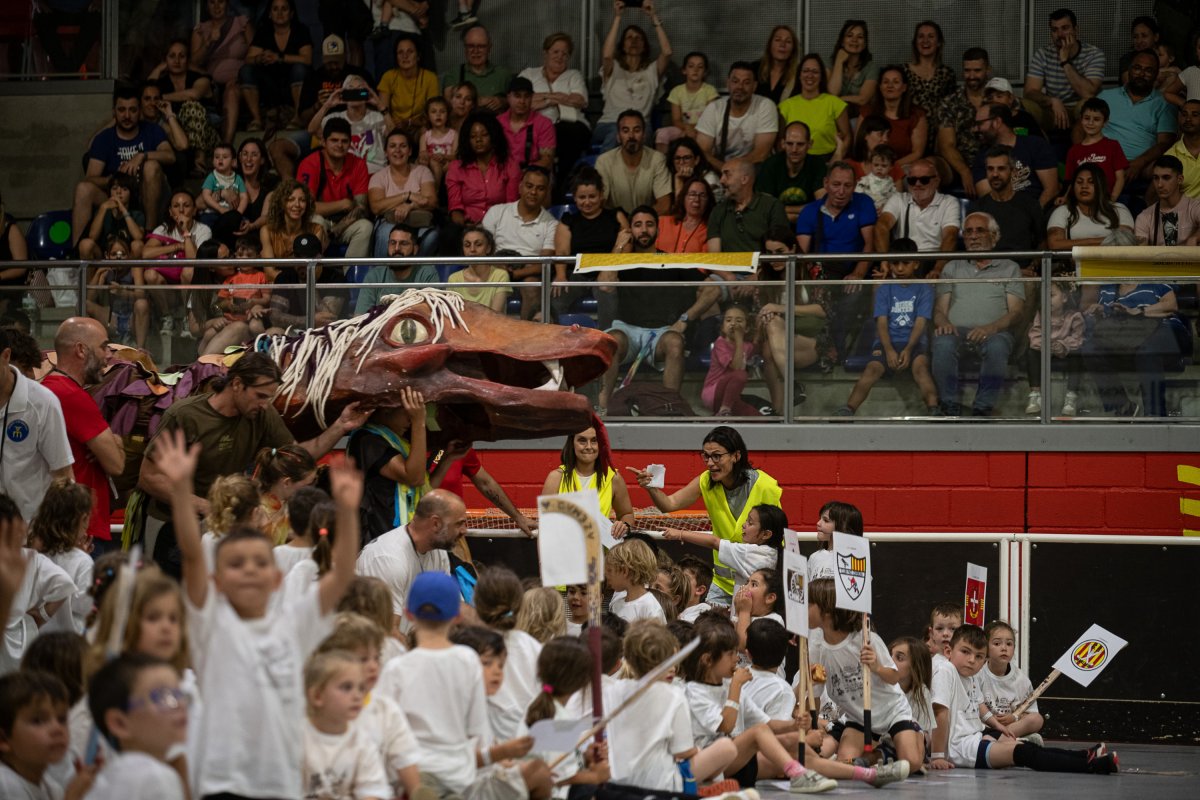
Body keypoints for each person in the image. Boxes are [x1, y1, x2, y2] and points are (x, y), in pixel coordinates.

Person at [153, 426, 361, 799]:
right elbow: (190, 554)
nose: (249, 569)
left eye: (258, 563)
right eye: (236, 564)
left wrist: (346, 513)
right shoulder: (211, 624)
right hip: (221, 782)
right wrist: (182, 489)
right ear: (217, 580)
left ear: (277, 577)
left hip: (281, 781)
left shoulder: (293, 624)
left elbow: (342, 572)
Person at [137, 354, 366, 574]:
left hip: (225, 527)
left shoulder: (261, 415)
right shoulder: (185, 416)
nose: (266, 404)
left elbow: (297, 457)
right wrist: (207, 507)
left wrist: (340, 427)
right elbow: (149, 478)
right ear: (237, 384)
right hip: (172, 525)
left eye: (269, 397)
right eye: (261, 395)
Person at [933, 625, 1118, 774]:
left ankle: (1084, 755)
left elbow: (979, 704)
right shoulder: (946, 671)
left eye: (979, 656)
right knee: (1022, 752)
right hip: (960, 750)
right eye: (965, 652)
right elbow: (940, 713)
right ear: (949, 651)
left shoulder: (971, 675)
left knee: (1026, 745)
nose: (972, 660)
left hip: (975, 736)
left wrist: (997, 726)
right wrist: (938, 756)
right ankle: (1092, 766)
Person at [630, 426, 780, 603]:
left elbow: (776, 539)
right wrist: (650, 487)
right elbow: (669, 504)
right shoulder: (706, 480)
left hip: (756, 587)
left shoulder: (766, 486)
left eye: (717, 456)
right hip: (722, 584)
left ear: (736, 456)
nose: (710, 463)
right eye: (706, 456)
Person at [596, 207, 718, 414]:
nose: (644, 230)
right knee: (611, 341)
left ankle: (668, 407)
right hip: (627, 330)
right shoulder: (623, 262)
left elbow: (713, 289)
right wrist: (618, 246)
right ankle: (604, 408)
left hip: (663, 332)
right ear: (630, 231)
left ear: (658, 230)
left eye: (649, 224)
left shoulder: (673, 260)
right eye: (638, 225)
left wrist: (684, 320)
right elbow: (605, 285)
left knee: (675, 342)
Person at [807, 578, 923, 768]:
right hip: (859, 717)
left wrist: (876, 667)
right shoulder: (817, 645)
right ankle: (879, 754)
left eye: (808, 603)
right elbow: (815, 693)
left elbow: (894, 677)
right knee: (847, 762)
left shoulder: (865, 639)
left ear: (827, 611)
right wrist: (811, 725)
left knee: (912, 764)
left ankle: (897, 743)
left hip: (891, 711)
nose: (802, 608)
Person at [40, 317, 124, 552]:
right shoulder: (71, 396)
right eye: (103, 346)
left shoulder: (48, 388)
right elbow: (116, 464)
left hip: (66, 526)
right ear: (81, 350)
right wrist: (116, 441)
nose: (109, 354)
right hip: (83, 532)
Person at [931, 212, 1025, 417]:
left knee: (998, 345)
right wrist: (944, 323)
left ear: (994, 235)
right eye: (968, 232)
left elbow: (1016, 312)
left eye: (979, 230)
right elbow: (939, 311)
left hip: (994, 332)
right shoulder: (952, 266)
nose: (973, 236)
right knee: (942, 341)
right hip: (957, 330)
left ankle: (983, 407)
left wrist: (992, 328)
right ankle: (949, 406)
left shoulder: (1009, 267)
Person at [835, 239, 939, 417]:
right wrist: (889, 349)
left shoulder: (925, 289)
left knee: (921, 368)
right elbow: (881, 323)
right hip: (886, 343)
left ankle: (934, 409)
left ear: (916, 264)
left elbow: (921, 323)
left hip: (914, 344)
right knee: (871, 369)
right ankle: (848, 409)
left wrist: (908, 348)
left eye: (905, 263)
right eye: (894, 263)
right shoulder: (885, 289)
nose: (899, 268)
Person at [795, 161, 879, 359]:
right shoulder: (810, 211)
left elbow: (869, 244)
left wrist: (858, 274)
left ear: (854, 185)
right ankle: (821, 351)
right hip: (821, 273)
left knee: (854, 295)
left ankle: (837, 352)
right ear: (826, 183)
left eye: (847, 186)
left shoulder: (864, 203)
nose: (841, 191)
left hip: (853, 271)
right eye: (836, 184)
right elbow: (801, 254)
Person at [72, 84, 174, 246]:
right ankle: (78, 252)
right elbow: (90, 178)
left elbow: (170, 156)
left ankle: (149, 236)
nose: (127, 116)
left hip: (148, 195)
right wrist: (111, 180)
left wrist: (142, 156)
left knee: (151, 166)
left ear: (140, 111)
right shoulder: (104, 138)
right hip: (116, 197)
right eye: (122, 110)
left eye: (133, 110)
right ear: (114, 112)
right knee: (83, 189)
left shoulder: (152, 130)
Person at [355, 489, 468, 630]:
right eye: (459, 524)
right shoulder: (389, 559)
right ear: (436, 524)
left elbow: (455, 607)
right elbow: (388, 634)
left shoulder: (438, 550)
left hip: (412, 644)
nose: (464, 531)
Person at [1081, 268, 1185, 418]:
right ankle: (1122, 405)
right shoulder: (1109, 288)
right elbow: (1108, 316)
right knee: (1090, 349)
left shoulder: (1153, 280)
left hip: (1159, 327)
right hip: (1127, 334)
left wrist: (1139, 310)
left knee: (1148, 351)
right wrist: (1100, 310)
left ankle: (1154, 414)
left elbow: (1171, 305)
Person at [85, 654, 189, 800]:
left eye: (180, 694)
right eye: (162, 697)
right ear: (119, 723)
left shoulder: (115, 776)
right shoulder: (156, 778)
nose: (180, 705)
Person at [0, 328, 73, 523]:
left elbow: (63, 475)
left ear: (6, 356)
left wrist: (60, 534)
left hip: (32, 535)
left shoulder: (42, 402)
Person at [301, 649, 390, 800]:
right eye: (346, 687)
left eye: (361, 688)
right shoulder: (296, 738)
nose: (357, 696)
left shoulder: (362, 741)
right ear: (317, 696)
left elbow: (374, 790)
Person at [552, 169, 626, 327]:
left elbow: (626, 245)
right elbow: (562, 252)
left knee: (608, 293)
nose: (587, 202)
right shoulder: (568, 221)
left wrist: (611, 270)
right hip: (577, 274)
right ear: (575, 198)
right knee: (555, 299)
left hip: (606, 272)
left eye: (592, 196)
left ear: (601, 195)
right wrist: (560, 275)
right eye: (582, 197)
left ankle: (607, 340)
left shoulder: (616, 216)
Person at [595, 1, 672, 151]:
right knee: (616, 134)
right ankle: (605, 173)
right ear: (622, 44)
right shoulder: (613, 68)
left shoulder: (651, 71)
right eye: (629, 38)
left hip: (640, 124)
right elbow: (607, 54)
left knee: (638, 134)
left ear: (644, 45)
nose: (634, 41)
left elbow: (667, 52)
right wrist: (618, 17)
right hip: (610, 123)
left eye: (638, 38)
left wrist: (653, 16)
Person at [519, 32, 590, 193]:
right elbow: (523, 101)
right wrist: (555, 98)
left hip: (571, 125)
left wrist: (542, 99)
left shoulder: (574, 75)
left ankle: (559, 186)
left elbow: (580, 100)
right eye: (556, 52)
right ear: (546, 53)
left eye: (565, 53)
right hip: (537, 126)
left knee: (568, 133)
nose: (560, 57)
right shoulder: (530, 74)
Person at [482, 165, 557, 317]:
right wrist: (500, 269)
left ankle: (526, 337)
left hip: (527, 273)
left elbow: (545, 263)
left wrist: (515, 274)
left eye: (540, 188)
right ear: (520, 186)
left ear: (546, 192)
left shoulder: (551, 224)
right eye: (529, 186)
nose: (533, 192)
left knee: (532, 284)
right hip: (495, 268)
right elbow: (483, 250)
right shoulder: (497, 212)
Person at [1095, 50, 1177, 188]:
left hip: (1141, 165)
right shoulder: (1105, 96)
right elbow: (1080, 128)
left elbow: (1165, 143)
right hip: (1102, 160)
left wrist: (1140, 162)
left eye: (1148, 70)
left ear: (1156, 75)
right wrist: (1086, 153)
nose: (1141, 74)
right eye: (1137, 68)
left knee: (1166, 172)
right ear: (1129, 70)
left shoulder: (1164, 103)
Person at [297, 117, 373, 260]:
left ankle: (351, 278)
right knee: (316, 221)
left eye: (344, 141)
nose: (340, 145)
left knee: (366, 227)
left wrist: (333, 233)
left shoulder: (358, 164)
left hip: (344, 223)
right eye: (334, 140)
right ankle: (315, 275)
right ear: (323, 142)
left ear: (350, 143)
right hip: (320, 219)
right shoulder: (310, 163)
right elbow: (306, 207)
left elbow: (361, 208)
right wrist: (343, 204)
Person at [542, 424, 636, 538]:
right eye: (582, 440)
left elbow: (627, 514)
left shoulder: (613, 478)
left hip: (601, 554)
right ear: (572, 443)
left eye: (594, 441)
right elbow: (546, 523)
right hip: (565, 552)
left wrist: (624, 525)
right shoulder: (555, 478)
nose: (589, 446)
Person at [1022, 7, 1105, 132]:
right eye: (1055, 30)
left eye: (1065, 28)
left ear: (1075, 30)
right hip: (1054, 109)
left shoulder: (1093, 54)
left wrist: (1065, 61)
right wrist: (1052, 101)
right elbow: (1029, 92)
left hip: (1080, 111)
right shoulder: (1043, 53)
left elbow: (1088, 93)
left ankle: (1082, 150)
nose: (1060, 35)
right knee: (1026, 106)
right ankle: (1038, 147)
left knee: (1086, 104)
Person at [875, 159, 961, 278]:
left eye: (924, 180)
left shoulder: (949, 202)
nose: (917, 184)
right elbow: (881, 226)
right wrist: (884, 261)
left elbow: (950, 236)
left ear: (936, 181)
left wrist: (938, 269)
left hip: (933, 260)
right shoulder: (898, 199)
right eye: (912, 180)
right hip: (903, 261)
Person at [238, 0, 313, 132]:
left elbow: (307, 59)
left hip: (294, 86)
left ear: (291, 13)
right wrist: (259, 58)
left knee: (299, 69)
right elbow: (249, 59)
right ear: (269, 13)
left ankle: (297, 117)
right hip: (270, 87)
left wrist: (279, 58)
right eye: (275, 9)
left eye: (284, 9)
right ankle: (256, 119)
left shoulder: (300, 30)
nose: (279, 13)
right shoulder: (264, 32)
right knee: (246, 71)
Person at [148, 38, 219, 172]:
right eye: (172, 56)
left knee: (192, 107)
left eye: (182, 56)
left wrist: (161, 97)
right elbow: (146, 92)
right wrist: (159, 68)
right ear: (165, 60)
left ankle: (199, 159)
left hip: (207, 136)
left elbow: (194, 95)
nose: (177, 61)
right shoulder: (162, 82)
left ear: (188, 60)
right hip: (178, 136)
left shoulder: (200, 78)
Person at [694, 62, 778, 172]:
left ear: (754, 86)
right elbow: (702, 151)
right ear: (728, 83)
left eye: (746, 83)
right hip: (719, 168)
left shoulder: (765, 106)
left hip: (753, 169)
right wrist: (725, 170)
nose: (740, 87)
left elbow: (760, 154)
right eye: (735, 81)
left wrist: (733, 171)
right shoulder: (714, 108)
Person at [971, 104, 1059, 208]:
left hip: (1039, 212)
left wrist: (1035, 216)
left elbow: (1051, 189)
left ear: (997, 122)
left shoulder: (1035, 145)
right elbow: (989, 199)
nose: (975, 129)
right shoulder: (982, 157)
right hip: (1003, 216)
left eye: (980, 123)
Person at [369, 126, 438, 256]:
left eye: (403, 146)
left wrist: (409, 206)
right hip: (389, 222)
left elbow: (431, 201)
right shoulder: (378, 176)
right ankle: (381, 272)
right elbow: (376, 207)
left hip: (419, 221)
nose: (398, 151)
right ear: (386, 152)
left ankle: (414, 274)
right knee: (387, 235)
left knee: (431, 236)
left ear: (410, 151)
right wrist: (407, 195)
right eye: (393, 146)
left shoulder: (422, 171)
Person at [446, 110, 521, 226]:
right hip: (467, 227)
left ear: (494, 136)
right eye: (473, 136)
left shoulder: (510, 166)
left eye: (484, 135)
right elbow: (455, 210)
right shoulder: (456, 168)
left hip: (501, 226)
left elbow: (511, 207)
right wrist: (466, 227)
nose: (478, 140)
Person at [191, 0, 252, 144]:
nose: (217, 6)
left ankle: (226, 144)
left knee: (231, 90)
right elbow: (193, 63)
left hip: (240, 84)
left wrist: (241, 75)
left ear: (227, 4)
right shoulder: (200, 30)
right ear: (207, 6)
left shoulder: (242, 23)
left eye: (221, 2)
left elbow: (255, 53)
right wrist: (208, 43)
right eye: (212, 2)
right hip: (213, 87)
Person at [970, 146, 1049, 257]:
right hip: (989, 271)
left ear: (1013, 172)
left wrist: (1033, 266)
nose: (995, 174)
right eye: (990, 169)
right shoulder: (977, 209)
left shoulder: (1030, 205)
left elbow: (1042, 244)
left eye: (1001, 169)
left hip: (1024, 271)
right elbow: (973, 250)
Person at [935, 48, 991, 196]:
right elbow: (946, 145)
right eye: (967, 70)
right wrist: (965, 171)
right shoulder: (950, 102)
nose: (971, 76)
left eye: (977, 70)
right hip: (957, 164)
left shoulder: (999, 99)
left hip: (993, 162)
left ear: (988, 70)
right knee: (927, 169)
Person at [1023, 281, 1084, 418]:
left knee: (1077, 355)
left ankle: (1071, 396)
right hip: (1044, 350)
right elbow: (1035, 335)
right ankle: (1035, 394)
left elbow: (1077, 338)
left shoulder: (1074, 316)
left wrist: (1063, 345)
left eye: (1051, 295)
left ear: (1064, 298)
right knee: (1031, 353)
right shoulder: (1040, 315)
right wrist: (1045, 345)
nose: (1047, 299)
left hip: (1065, 351)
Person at [307, 74, 390, 174]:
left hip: (376, 173)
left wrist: (379, 105)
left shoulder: (377, 117)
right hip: (347, 175)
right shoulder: (334, 119)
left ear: (366, 93)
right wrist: (327, 105)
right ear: (343, 94)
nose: (355, 92)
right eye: (350, 90)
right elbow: (311, 130)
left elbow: (395, 134)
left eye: (359, 90)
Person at [595, 109, 671, 216]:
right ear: (618, 136)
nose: (631, 136)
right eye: (625, 131)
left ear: (644, 135)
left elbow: (664, 205)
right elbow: (599, 203)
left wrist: (638, 222)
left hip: (647, 226)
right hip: (616, 225)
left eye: (636, 130)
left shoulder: (657, 159)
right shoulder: (604, 161)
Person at [977, 620, 1045, 740]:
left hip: (1011, 727)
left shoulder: (1021, 680)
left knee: (1037, 719)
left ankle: (1003, 738)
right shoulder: (978, 674)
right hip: (984, 726)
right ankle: (1010, 740)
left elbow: (1030, 713)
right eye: (997, 644)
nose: (1004, 648)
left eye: (1009, 644)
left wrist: (1014, 717)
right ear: (986, 647)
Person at [778, 54, 850, 163]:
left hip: (827, 160)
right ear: (799, 75)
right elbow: (779, 141)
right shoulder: (785, 106)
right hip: (794, 162)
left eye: (815, 72)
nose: (810, 75)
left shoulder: (834, 103)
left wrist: (836, 159)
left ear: (821, 77)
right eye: (806, 71)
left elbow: (847, 136)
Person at [355, 224, 439, 315]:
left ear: (415, 249)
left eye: (404, 243)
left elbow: (433, 315)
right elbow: (359, 318)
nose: (397, 248)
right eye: (393, 243)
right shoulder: (374, 276)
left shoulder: (427, 273)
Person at [708, 158, 788, 253]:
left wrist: (763, 268)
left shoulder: (772, 206)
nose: (721, 180)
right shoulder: (718, 211)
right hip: (727, 268)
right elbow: (714, 256)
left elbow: (779, 250)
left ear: (744, 179)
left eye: (727, 174)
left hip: (763, 266)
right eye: (722, 175)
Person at [1046, 164, 1133, 249]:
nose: (1084, 186)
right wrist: (1108, 240)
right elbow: (1055, 244)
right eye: (1079, 182)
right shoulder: (1062, 211)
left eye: (1091, 182)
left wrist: (1075, 244)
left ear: (1100, 185)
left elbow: (1125, 241)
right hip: (1075, 263)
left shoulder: (1119, 210)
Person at [755, 121, 825, 221]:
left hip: (808, 223)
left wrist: (783, 211)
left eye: (800, 144)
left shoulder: (817, 165)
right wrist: (803, 212)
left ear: (810, 144)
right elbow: (766, 207)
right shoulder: (771, 165)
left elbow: (821, 205)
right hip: (778, 224)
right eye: (789, 144)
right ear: (782, 144)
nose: (794, 149)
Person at [864, 65, 927, 170]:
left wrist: (890, 166)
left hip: (902, 167)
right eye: (885, 82)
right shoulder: (867, 112)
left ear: (904, 87)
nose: (890, 85)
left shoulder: (916, 115)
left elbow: (917, 153)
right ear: (880, 87)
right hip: (870, 166)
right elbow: (859, 145)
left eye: (896, 82)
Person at [1064, 97, 1128, 201]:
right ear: (1081, 119)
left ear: (1105, 122)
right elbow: (1072, 181)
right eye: (1087, 118)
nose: (1090, 123)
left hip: (1106, 200)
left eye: (1096, 119)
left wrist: (1112, 200)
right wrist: (1065, 197)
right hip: (1081, 202)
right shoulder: (1074, 151)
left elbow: (1120, 178)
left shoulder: (1113, 145)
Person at [440, 24, 512, 114]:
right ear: (465, 49)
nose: (476, 51)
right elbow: (448, 104)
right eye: (471, 46)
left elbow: (519, 101)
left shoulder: (504, 75)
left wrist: (502, 102)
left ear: (489, 47)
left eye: (481, 46)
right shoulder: (454, 75)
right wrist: (476, 101)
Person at [657, 51, 718, 152]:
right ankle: (663, 165)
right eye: (691, 66)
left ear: (705, 72)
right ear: (684, 70)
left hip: (704, 130)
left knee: (711, 139)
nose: (695, 70)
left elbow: (710, 119)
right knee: (662, 134)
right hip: (682, 128)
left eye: (700, 67)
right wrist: (687, 129)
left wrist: (694, 130)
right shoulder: (676, 91)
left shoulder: (710, 91)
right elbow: (676, 120)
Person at [76, 172, 145, 262]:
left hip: (128, 257)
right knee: (85, 244)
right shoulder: (103, 211)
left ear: (130, 194)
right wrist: (103, 208)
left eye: (124, 189)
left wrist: (123, 210)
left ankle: (135, 276)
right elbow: (92, 237)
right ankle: (91, 276)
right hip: (105, 256)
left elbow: (138, 237)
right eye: (114, 188)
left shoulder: (137, 215)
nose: (119, 192)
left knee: (138, 245)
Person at [378, 33, 440, 131]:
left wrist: (408, 122)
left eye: (410, 51)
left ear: (418, 56)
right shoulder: (388, 76)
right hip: (394, 126)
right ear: (396, 57)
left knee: (425, 131)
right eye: (400, 52)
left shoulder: (430, 78)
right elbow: (382, 111)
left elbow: (433, 114)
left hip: (418, 127)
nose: (405, 56)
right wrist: (393, 124)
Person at [1134, 155, 1200, 245]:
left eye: (1166, 177)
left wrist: (1195, 237)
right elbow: (1140, 254)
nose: (1159, 185)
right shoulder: (1145, 217)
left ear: (1180, 179)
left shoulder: (1194, 207)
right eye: (1156, 178)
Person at [497, 76, 556, 172]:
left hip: (531, 176)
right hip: (502, 175)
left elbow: (546, 160)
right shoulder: (497, 122)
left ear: (532, 97)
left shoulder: (544, 124)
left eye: (526, 96)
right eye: (517, 96)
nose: (522, 101)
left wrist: (523, 174)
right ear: (508, 98)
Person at [446, 225, 510, 313]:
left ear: (488, 248)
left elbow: (495, 315)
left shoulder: (500, 275)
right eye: (467, 245)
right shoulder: (454, 279)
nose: (472, 249)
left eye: (478, 244)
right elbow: (453, 314)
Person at [259, 179, 327, 261]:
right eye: (291, 199)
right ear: (281, 203)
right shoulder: (267, 231)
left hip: (305, 273)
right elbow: (269, 270)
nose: (297, 204)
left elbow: (315, 268)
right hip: (278, 274)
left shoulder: (316, 230)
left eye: (302, 200)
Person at [903, 20, 956, 116]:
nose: (925, 40)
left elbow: (951, 107)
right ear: (915, 42)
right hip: (911, 127)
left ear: (939, 42)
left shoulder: (947, 73)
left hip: (940, 128)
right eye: (921, 36)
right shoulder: (903, 71)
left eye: (931, 36)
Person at [607, 539, 666, 623]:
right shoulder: (616, 605)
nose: (606, 575)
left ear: (625, 571)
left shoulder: (650, 607)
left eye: (610, 571)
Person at [828, 20, 879, 117]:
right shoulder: (829, 64)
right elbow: (833, 92)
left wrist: (840, 99)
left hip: (859, 118)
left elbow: (863, 99)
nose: (854, 40)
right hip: (833, 116)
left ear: (864, 44)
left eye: (860, 37)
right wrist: (839, 62)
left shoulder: (871, 67)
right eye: (849, 36)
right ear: (842, 41)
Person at [657, 176, 713, 254]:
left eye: (702, 195)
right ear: (684, 198)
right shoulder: (662, 222)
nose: (697, 200)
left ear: (708, 201)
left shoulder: (709, 231)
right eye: (692, 194)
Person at [751, 25, 800, 104]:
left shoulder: (798, 75)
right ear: (770, 45)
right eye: (778, 40)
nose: (782, 45)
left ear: (793, 49)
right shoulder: (753, 69)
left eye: (788, 42)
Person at [1168, 99, 1200, 197]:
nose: (1188, 119)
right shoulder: (1171, 157)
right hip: (1187, 211)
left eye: (1195, 115)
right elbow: (1153, 196)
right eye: (1184, 114)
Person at [855, 145, 899, 211]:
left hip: (884, 210)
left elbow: (894, 197)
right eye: (876, 165)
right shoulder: (865, 181)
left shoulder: (890, 182)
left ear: (891, 166)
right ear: (871, 164)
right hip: (865, 209)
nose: (879, 168)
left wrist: (886, 207)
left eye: (884, 166)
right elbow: (857, 195)